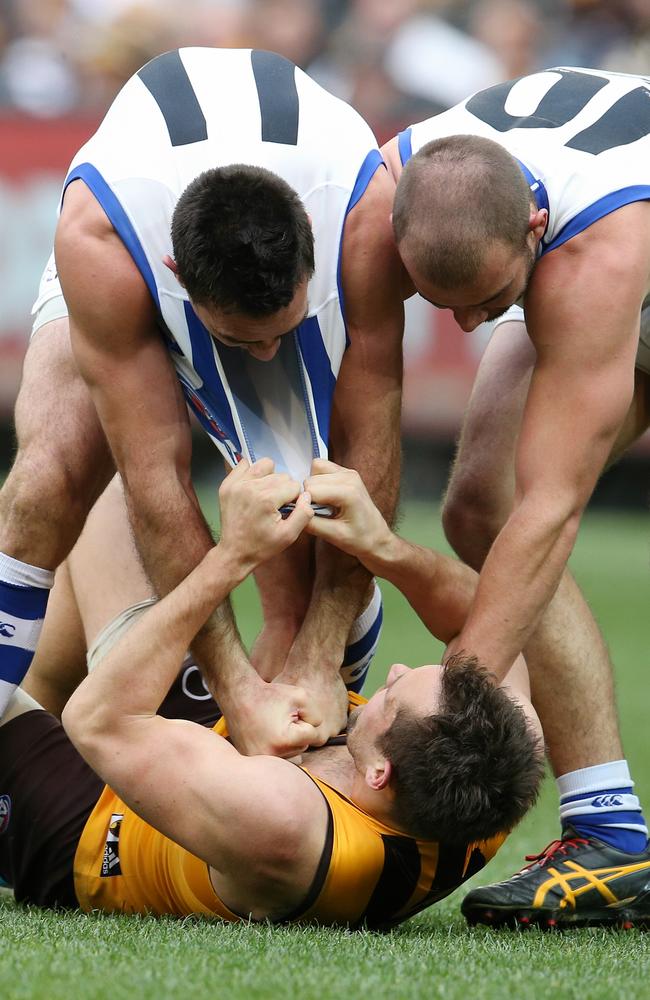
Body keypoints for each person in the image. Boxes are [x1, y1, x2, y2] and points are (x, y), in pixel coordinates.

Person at [0, 47, 405, 755]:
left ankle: (275, 749)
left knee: (305, 529)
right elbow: (155, 477)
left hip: (293, 235)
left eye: (281, 332)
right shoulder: (103, 237)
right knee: (48, 482)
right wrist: (237, 690)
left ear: (311, 250)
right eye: (242, 342)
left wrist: (318, 654)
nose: (268, 357)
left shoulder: (363, 218)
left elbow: (370, 449)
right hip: (130, 238)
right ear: (177, 276)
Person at [0, 460, 543, 928]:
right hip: (211, 742)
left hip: (92, 828)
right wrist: (384, 548)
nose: (396, 670)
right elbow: (488, 618)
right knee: (121, 488)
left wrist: (231, 556)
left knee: (106, 491)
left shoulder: (286, 824)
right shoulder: (500, 764)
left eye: (392, 695)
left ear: (379, 772)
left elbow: (97, 719)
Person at [381, 66, 650, 925]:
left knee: (529, 505)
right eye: (441, 305)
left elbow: (553, 507)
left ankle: (611, 836)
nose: (464, 329)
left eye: (488, 302)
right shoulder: (387, 181)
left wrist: (447, 715)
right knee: (475, 508)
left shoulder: (593, 257)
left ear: (534, 230)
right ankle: (616, 839)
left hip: (626, 228)